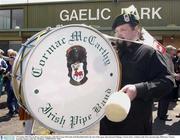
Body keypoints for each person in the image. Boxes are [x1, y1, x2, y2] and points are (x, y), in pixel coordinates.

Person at [99, 13, 174, 135]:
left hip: (135, 124)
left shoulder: (149, 53)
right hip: (108, 123)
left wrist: (138, 89)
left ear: (137, 31)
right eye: (116, 31)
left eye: (123, 29)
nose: (119, 34)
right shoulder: (112, 54)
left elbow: (167, 82)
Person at [157, 45, 178, 121]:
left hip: (166, 80)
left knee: (163, 99)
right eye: (174, 50)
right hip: (167, 80)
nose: (175, 52)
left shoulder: (167, 57)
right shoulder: (166, 58)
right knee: (165, 99)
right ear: (170, 50)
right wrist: (176, 75)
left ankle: (161, 114)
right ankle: (162, 116)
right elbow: (167, 70)